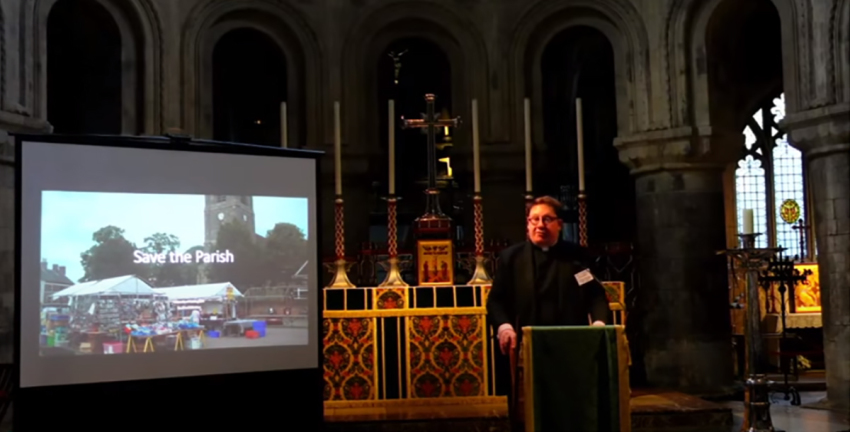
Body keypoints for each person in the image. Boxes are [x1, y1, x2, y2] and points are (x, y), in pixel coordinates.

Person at [486, 195, 610, 357]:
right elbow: (496, 301)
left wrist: (599, 325)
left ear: (559, 224)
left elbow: (596, 296)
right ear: (528, 224)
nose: (540, 225)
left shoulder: (576, 257)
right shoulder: (511, 258)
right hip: (526, 344)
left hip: (571, 343)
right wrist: (504, 327)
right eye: (534, 220)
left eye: (547, 219)